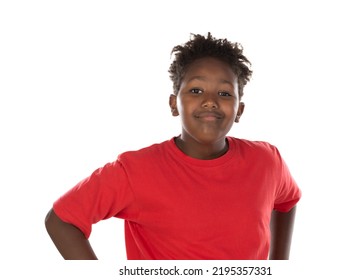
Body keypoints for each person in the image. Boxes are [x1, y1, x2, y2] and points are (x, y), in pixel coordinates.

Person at [45, 32, 301, 260]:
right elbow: (61, 221)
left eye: (224, 93)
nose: (210, 101)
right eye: (196, 90)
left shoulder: (267, 161)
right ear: (173, 104)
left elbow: (287, 201)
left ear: (239, 110)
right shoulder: (135, 171)